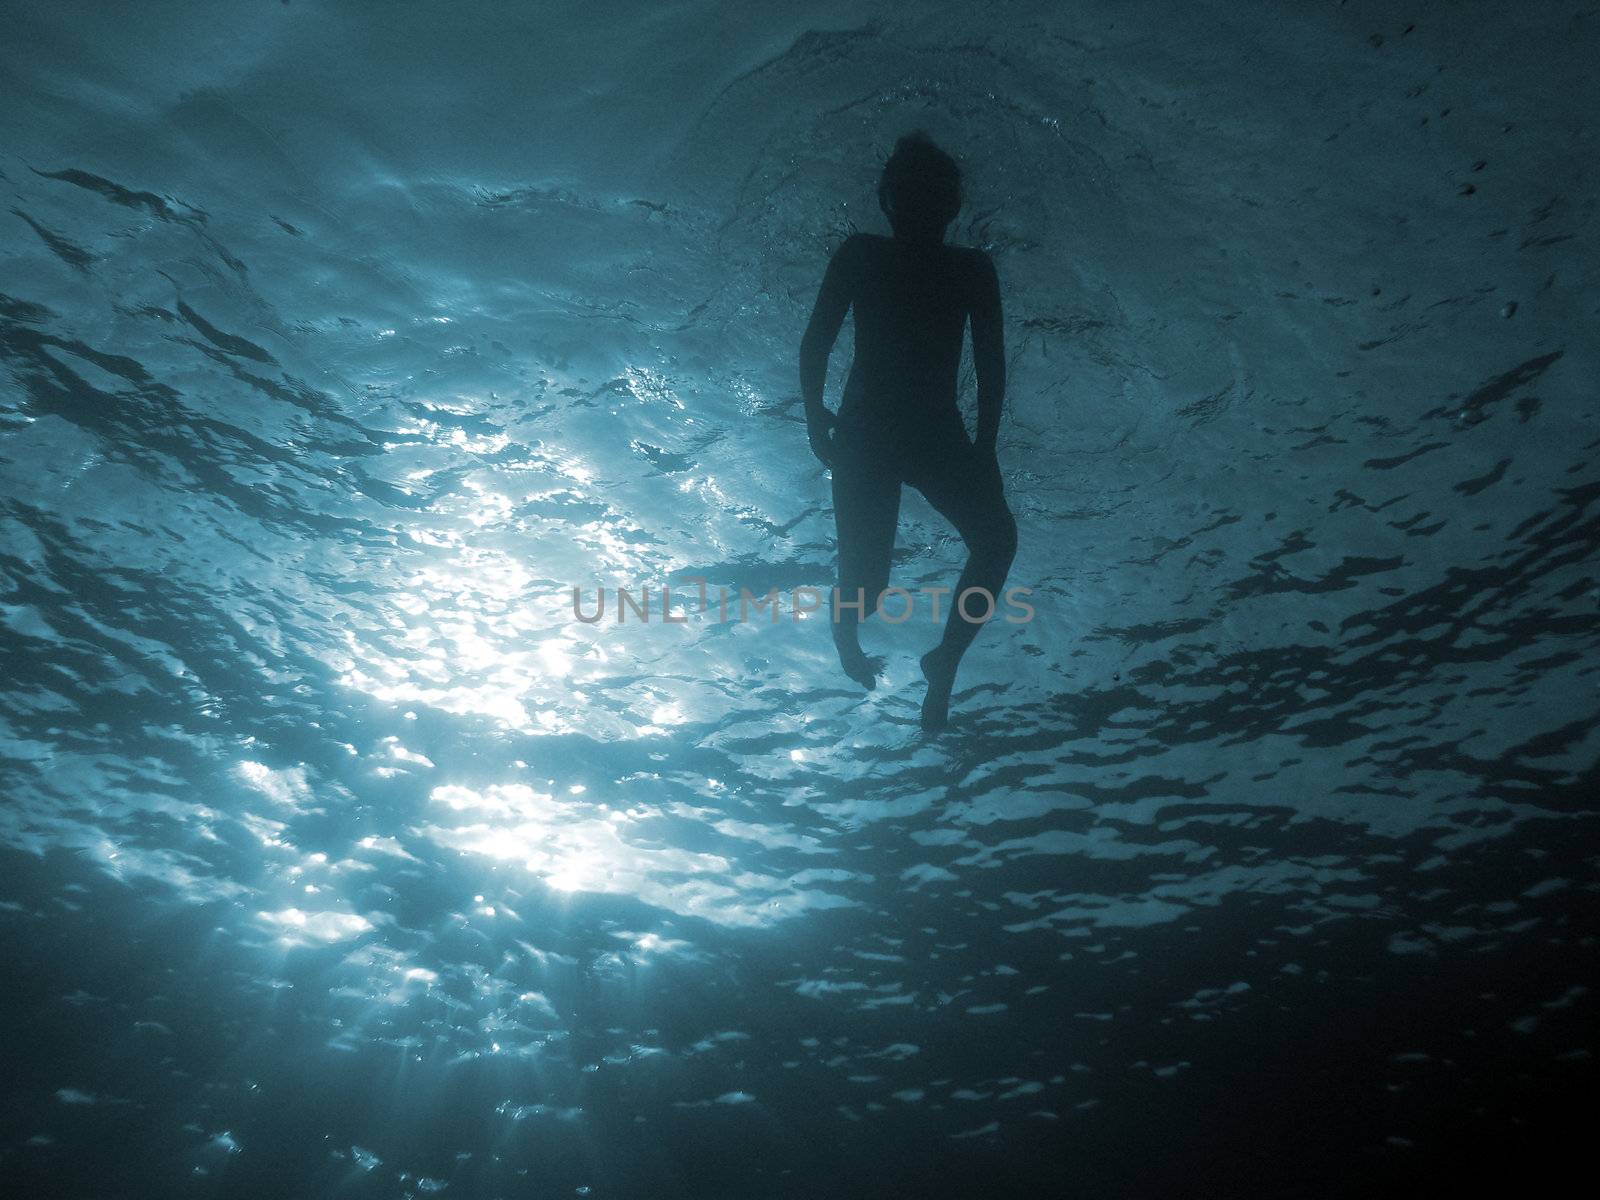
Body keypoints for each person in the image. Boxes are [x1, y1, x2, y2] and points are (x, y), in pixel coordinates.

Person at [799, 130, 1018, 732]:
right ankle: (855, 641)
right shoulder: (866, 255)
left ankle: (944, 659)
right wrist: (815, 414)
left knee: (993, 541)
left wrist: (987, 446)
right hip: (884, 435)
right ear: (887, 199)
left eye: (931, 192)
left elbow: (991, 361)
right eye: (909, 191)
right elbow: (817, 339)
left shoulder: (963, 267)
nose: (920, 203)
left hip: (897, 434)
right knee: (868, 581)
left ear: (950, 204)